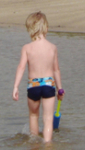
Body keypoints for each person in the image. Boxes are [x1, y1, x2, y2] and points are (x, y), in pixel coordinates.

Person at [12, 12, 64, 142]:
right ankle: (48, 146)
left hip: (33, 85)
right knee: (48, 119)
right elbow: (56, 70)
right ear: (46, 28)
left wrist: (16, 86)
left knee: (33, 116)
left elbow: (21, 67)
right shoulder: (52, 48)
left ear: (30, 29)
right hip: (48, 84)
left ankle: (34, 145)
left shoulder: (27, 48)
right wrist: (60, 89)